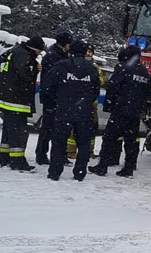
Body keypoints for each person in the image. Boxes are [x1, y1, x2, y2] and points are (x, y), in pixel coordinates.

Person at [41, 40, 100, 181]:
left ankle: (55, 172)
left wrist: (58, 100)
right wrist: (85, 102)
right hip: (84, 112)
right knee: (84, 143)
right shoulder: (91, 69)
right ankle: (79, 173)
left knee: (59, 142)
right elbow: (96, 90)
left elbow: (47, 86)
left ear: (69, 52)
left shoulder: (61, 66)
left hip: (63, 110)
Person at [88, 46, 151, 177]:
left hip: (121, 110)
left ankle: (103, 165)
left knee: (109, 138)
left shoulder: (123, 68)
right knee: (131, 140)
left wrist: (109, 105)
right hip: (135, 112)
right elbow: (147, 94)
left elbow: (113, 87)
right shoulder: (144, 71)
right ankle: (129, 167)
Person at [0, 36, 44, 171]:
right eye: (39, 51)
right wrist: (35, 68)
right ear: (35, 48)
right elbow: (25, 73)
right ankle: (17, 161)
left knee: (8, 131)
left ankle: (5, 159)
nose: (39, 54)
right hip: (16, 101)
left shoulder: (16, 51)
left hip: (8, 98)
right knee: (17, 132)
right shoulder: (24, 55)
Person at [35, 31, 72, 165]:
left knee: (55, 128)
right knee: (48, 128)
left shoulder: (56, 54)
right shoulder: (55, 56)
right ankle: (42, 154)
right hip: (53, 97)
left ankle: (55, 154)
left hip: (54, 97)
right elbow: (54, 78)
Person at [66, 43, 105, 160]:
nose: (89, 54)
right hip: (77, 102)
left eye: (90, 52)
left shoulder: (94, 67)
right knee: (74, 129)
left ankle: (89, 151)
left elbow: (102, 80)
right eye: (87, 52)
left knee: (92, 128)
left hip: (91, 104)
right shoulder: (74, 64)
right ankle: (71, 151)